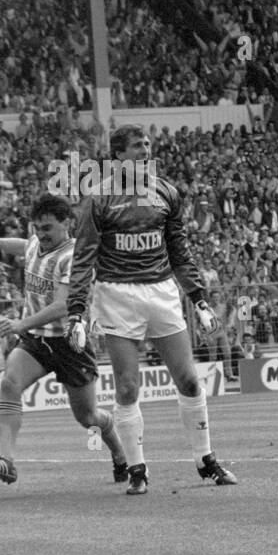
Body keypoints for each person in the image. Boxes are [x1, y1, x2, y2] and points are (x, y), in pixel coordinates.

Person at [65, 125, 238, 495]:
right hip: (116, 295)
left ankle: (206, 461)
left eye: (147, 145)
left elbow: (179, 251)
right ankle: (137, 469)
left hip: (161, 292)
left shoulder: (166, 192)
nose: (145, 151)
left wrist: (200, 299)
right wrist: (77, 312)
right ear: (118, 156)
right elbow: (82, 260)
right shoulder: (98, 199)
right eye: (136, 146)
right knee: (127, 386)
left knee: (189, 380)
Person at [0, 197, 127, 485]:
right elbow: (22, 245)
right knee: (9, 383)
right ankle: (7, 461)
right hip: (36, 342)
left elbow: (62, 306)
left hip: (69, 343)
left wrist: (19, 324)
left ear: (67, 223)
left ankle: (120, 455)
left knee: (88, 418)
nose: (41, 234)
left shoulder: (74, 257)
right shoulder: (37, 243)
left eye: (48, 228)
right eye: (37, 228)